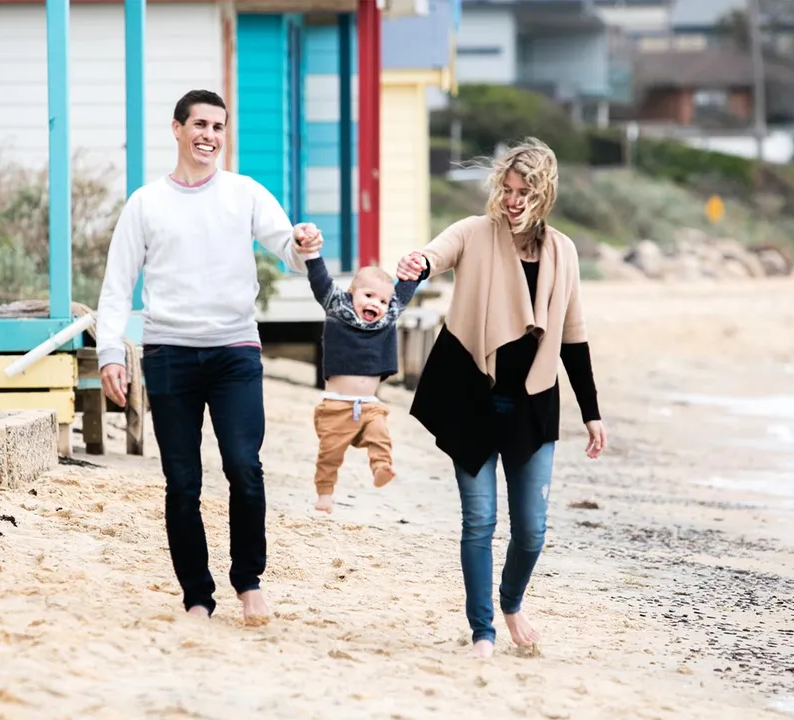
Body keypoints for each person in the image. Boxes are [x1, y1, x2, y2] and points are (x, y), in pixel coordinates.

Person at [96, 89, 320, 624]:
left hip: (234, 350)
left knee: (244, 466)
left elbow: (288, 251)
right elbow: (117, 284)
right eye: (200, 125)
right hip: (169, 353)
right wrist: (110, 352)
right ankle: (197, 595)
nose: (209, 136)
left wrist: (302, 243)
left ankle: (249, 582)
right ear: (177, 128)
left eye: (218, 127)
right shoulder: (146, 203)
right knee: (182, 481)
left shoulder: (244, 193)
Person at [395, 138, 607, 659]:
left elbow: (573, 338)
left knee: (531, 530)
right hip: (472, 397)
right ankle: (483, 631)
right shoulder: (474, 233)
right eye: (507, 190)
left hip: (533, 403)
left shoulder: (562, 252)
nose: (512, 201)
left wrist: (592, 413)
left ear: (543, 194)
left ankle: (512, 602)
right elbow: (437, 253)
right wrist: (419, 262)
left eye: (524, 192)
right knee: (479, 520)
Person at [301, 233, 428, 514]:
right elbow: (320, 281)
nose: (375, 304)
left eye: (382, 301)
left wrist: (416, 270)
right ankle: (325, 494)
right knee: (330, 454)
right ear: (351, 293)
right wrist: (312, 255)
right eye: (368, 296)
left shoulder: (388, 317)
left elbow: (404, 291)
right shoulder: (337, 307)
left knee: (380, 434)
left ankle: (381, 467)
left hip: (369, 405)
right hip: (336, 405)